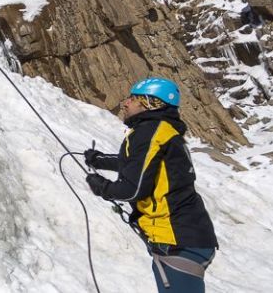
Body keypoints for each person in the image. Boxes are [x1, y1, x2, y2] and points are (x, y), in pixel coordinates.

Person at [84, 77, 217, 293]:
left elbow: (132, 190)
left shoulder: (149, 132)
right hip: (186, 236)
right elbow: (139, 163)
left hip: (176, 239)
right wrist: (99, 161)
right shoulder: (162, 131)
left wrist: (102, 187)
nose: (125, 103)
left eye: (134, 99)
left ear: (151, 103)